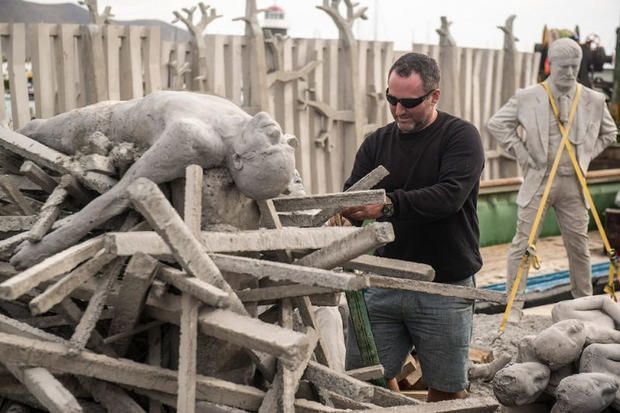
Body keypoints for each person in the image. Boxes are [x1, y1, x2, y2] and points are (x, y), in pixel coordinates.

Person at [9, 91, 297, 269]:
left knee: (36, 132)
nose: (275, 132)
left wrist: (48, 245)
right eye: (281, 140)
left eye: (271, 142)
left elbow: (124, 192)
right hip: (120, 109)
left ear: (237, 160)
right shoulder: (247, 126)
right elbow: (285, 171)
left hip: (107, 123)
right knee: (29, 135)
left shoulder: (195, 139)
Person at [340, 52, 485, 401]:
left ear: (434, 96)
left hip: (444, 284)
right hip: (384, 281)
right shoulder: (377, 142)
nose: (398, 110)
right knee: (364, 384)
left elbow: (448, 197)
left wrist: (387, 204)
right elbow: (351, 193)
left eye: (409, 102)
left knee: (448, 391)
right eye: (391, 99)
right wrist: (348, 208)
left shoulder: (461, 137)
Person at [487, 38, 618, 319]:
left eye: (575, 67)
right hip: (539, 180)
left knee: (579, 247)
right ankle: (514, 308)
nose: (570, 73)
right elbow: (497, 124)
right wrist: (522, 153)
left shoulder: (593, 100)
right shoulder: (527, 97)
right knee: (522, 245)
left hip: (574, 183)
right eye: (564, 67)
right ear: (550, 65)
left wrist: (585, 156)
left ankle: (584, 305)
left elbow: (610, 133)